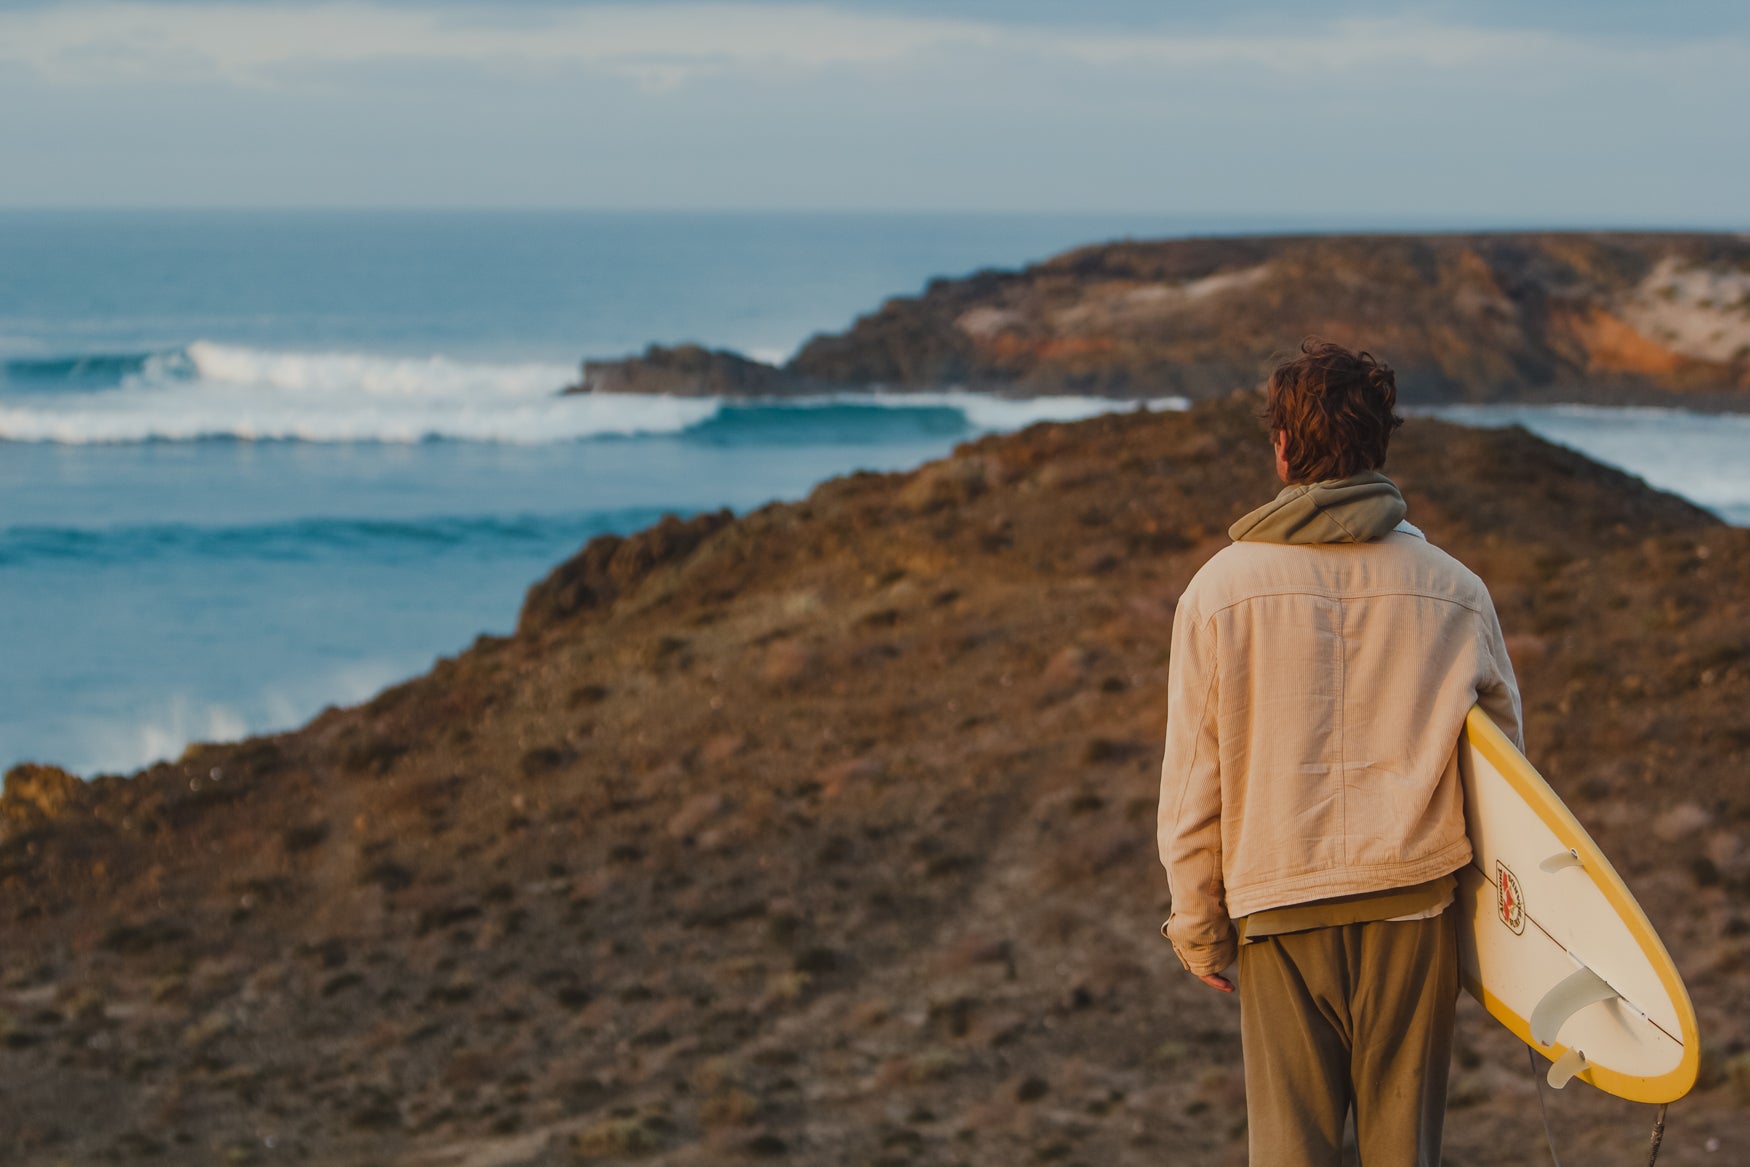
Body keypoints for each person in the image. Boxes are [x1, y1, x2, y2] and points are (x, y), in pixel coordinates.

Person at [1157, 339, 1523, 1167]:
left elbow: (1191, 784)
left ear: (1282, 448)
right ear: (1380, 444)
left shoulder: (1219, 591)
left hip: (1280, 910)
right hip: (1416, 908)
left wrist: (1199, 928)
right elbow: (1508, 775)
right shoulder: (1455, 589)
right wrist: (1500, 932)